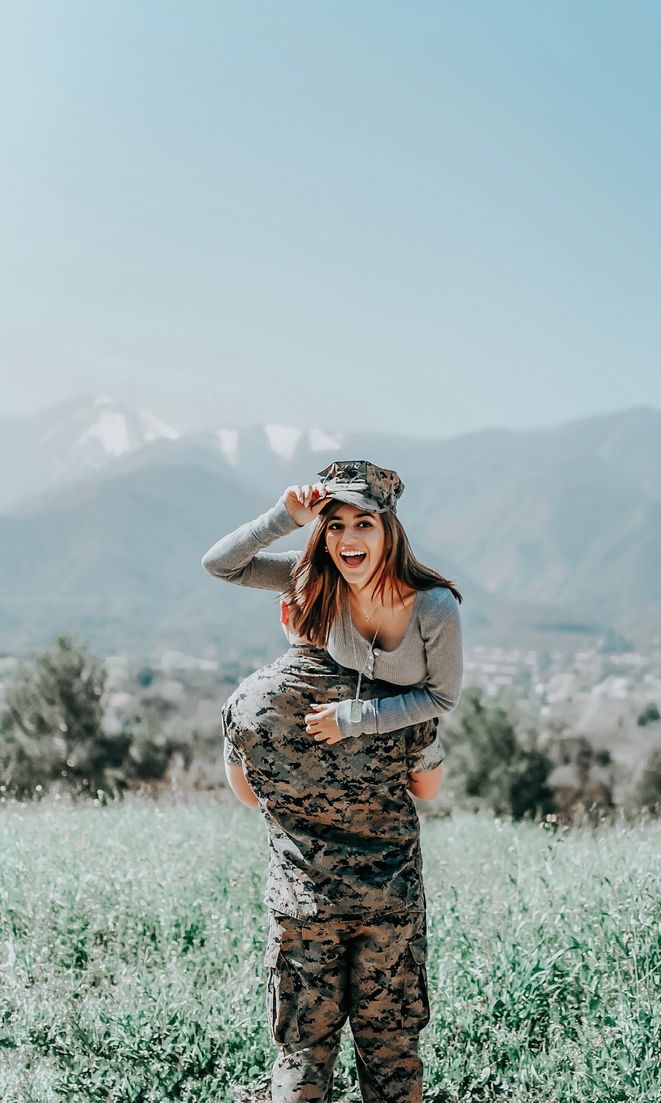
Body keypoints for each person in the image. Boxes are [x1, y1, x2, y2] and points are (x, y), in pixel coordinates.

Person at [222, 596, 446, 1103]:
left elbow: (246, 793)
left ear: (285, 614)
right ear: (352, 612)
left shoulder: (249, 699)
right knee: (392, 1052)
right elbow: (429, 789)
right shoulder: (394, 698)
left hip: (301, 906)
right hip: (390, 905)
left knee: (302, 1053)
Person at [202, 459, 463, 744]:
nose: (348, 539)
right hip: (335, 732)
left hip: (404, 738)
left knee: (425, 791)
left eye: (364, 524)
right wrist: (283, 517)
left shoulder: (434, 606)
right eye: (336, 526)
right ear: (324, 537)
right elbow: (220, 564)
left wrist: (353, 720)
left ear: (389, 535)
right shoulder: (314, 576)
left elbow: (442, 696)